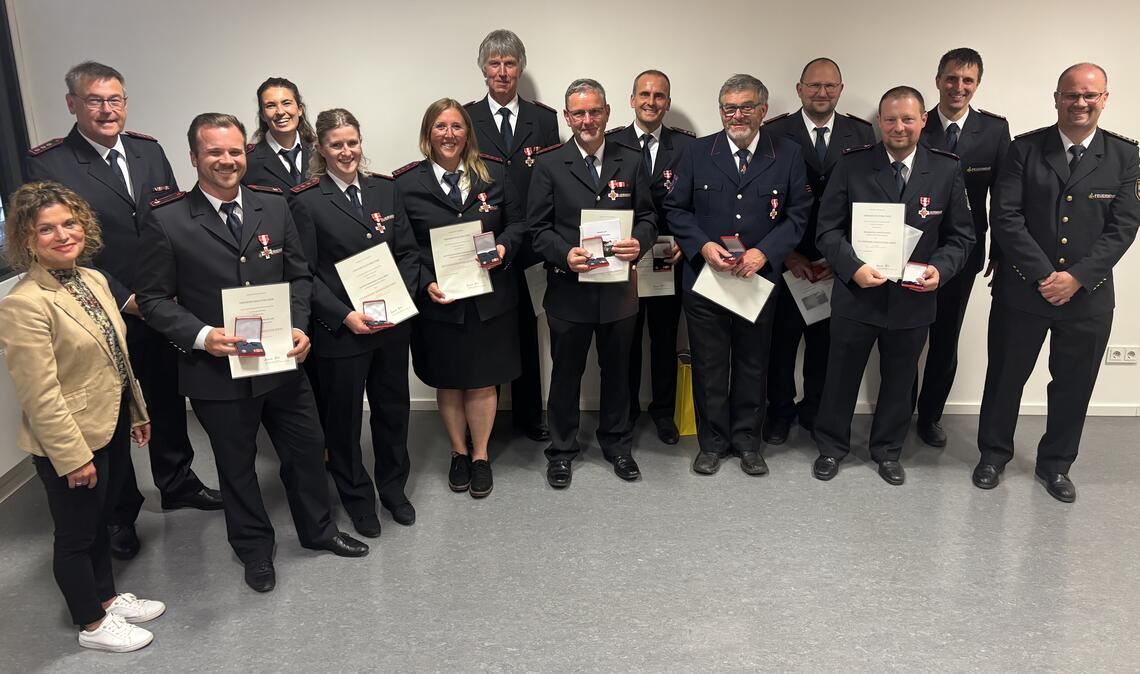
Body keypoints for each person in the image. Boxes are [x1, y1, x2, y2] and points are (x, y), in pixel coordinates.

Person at [136, 113, 368, 593]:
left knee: (305, 451)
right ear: (194, 157)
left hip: (281, 362)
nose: (227, 160)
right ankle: (255, 551)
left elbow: (299, 276)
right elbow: (153, 300)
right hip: (215, 371)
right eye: (215, 152)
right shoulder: (168, 220)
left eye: (235, 151)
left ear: (246, 152)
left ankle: (319, 531)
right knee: (237, 468)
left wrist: (302, 327)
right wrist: (201, 335)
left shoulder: (273, 206)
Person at [25, 61, 221, 563]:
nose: (107, 109)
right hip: (99, 308)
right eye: (94, 100)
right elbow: (69, 246)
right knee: (111, 413)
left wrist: (175, 293)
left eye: (116, 99)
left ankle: (176, 480)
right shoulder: (50, 164)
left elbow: (174, 223)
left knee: (166, 396)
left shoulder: (148, 151)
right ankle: (119, 514)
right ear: (72, 104)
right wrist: (127, 297)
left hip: (162, 302)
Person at [0, 182, 164, 652]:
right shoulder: (23, 303)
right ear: (27, 239)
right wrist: (72, 458)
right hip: (67, 439)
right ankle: (91, 623)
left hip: (106, 422)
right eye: (46, 229)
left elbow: (116, 355)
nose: (62, 235)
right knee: (76, 533)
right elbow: (39, 393)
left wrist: (135, 411)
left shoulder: (91, 279)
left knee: (102, 518)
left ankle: (107, 599)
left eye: (69, 223)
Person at [977, 63, 1139, 502]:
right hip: (1022, 290)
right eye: (1071, 95)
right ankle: (992, 456)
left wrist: (1077, 278)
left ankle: (1056, 465)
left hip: (1088, 298)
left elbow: (1123, 227)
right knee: (1005, 378)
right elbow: (1005, 217)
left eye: (1090, 95)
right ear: (1056, 98)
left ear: (1105, 99)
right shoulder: (1023, 150)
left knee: (1073, 385)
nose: (1080, 103)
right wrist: (1046, 275)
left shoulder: (1127, 156)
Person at [812, 86, 973, 485]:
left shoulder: (946, 168)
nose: (898, 127)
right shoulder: (852, 165)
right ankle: (832, 448)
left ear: (923, 121)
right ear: (878, 123)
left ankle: (887, 451)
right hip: (857, 294)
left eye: (907, 119)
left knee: (900, 381)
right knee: (840, 378)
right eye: (890, 119)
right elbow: (827, 230)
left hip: (913, 298)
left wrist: (940, 269)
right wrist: (852, 268)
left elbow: (961, 237)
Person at [664, 74, 811, 476]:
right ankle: (712, 443)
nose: (737, 115)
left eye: (746, 106)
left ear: (763, 110)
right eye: (730, 107)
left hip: (757, 280)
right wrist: (702, 246)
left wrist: (766, 252)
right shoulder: (697, 152)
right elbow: (675, 208)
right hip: (707, 280)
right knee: (710, 364)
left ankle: (748, 442)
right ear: (721, 111)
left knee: (752, 363)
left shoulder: (788, 154)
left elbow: (798, 214)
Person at [289, 108, 419, 535]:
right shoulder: (305, 200)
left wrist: (399, 301)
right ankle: (358, 498)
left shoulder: (386, 189)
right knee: (343, 421)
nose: (347, 152)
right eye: (336, 145)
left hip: (390, 328)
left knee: (393, 411)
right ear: (321, 149)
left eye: (352, 142)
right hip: (343, 332)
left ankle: (394, 489)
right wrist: (344, 315)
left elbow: (408, 253)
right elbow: (304, 273)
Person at [394, 99, 529, 498]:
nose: (449, 134)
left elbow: (518, 224)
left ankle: (481, 455)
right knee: (450, 380)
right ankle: (458, 451)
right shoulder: (405, 184)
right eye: (440, 126)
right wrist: (425, 283)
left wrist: (504, 247)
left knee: (485, 381)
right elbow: (405, 246)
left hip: (491, 298)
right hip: (442, 301)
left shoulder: (495, 175)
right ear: (428, 134)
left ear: (468, 132)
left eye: (456, 126)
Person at [529, 78, 656, 487]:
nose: (587, 120)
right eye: (578, 113)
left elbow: (651, 217)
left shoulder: (632, 160)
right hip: (569, 290)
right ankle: (562, 450)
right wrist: (564, 253)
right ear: (567, 117)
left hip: (619, 291)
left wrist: (641, 242)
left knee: (618, 372)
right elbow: (537, 229)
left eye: (594, 111)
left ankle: (617, 445)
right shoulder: (549, 164)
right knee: (566, 373)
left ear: (607, 113)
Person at [761, 58, 874, 445]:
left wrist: (840, 256)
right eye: (814, 86)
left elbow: (869, 199)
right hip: (785, 257)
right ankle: (779, 412)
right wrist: (787, 253)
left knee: (826, 346)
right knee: (781, 344)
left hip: (838, 259)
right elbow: (766, 199)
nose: (822, 93)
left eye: (830, 86)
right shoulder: (775, 132)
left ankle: (815, 410)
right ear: (799, 89)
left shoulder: (862, 132)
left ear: (841, 89)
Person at [465, 29, 561, 443]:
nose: (502, 72)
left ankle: (527, 414)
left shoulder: (544, 119)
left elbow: (554, 176)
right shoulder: (466, 118)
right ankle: (483, 420)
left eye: (510, 64)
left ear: (520, 68)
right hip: (485, 240)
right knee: (485, 329)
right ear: (484, 69)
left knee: (527, 325)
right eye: (495, 64)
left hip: (532, 240)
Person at [913, 48, 1011, 447]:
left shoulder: (993, 130)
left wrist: (1001, 252)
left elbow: (1004, 198)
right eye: (951, 78)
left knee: (945, 338)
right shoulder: (915, 123)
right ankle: (898, 410)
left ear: (977, 85)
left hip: (963, 253)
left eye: (967, 80)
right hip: (913, 250)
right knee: (905, 337)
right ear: (938, 80)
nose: (958, 87)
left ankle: (930, 415)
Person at [607, 69, 694, 445]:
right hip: (623, 257)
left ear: (668, 103)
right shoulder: (610, 144)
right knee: (624, 338)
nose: (651, 101)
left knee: (663, 338)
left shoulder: (688, 147)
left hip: (665, 257)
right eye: (644, 94)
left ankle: (662, 411)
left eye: (659, 96)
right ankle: (624, 410)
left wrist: (685, 243)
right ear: (631, 100)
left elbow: (696, 203)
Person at [244, 77, 316, 190]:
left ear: (300, 109)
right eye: (271, 106)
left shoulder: (319, 152)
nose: (280, 112)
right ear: (262, 114)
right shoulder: (248, 161)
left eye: (286, 103)